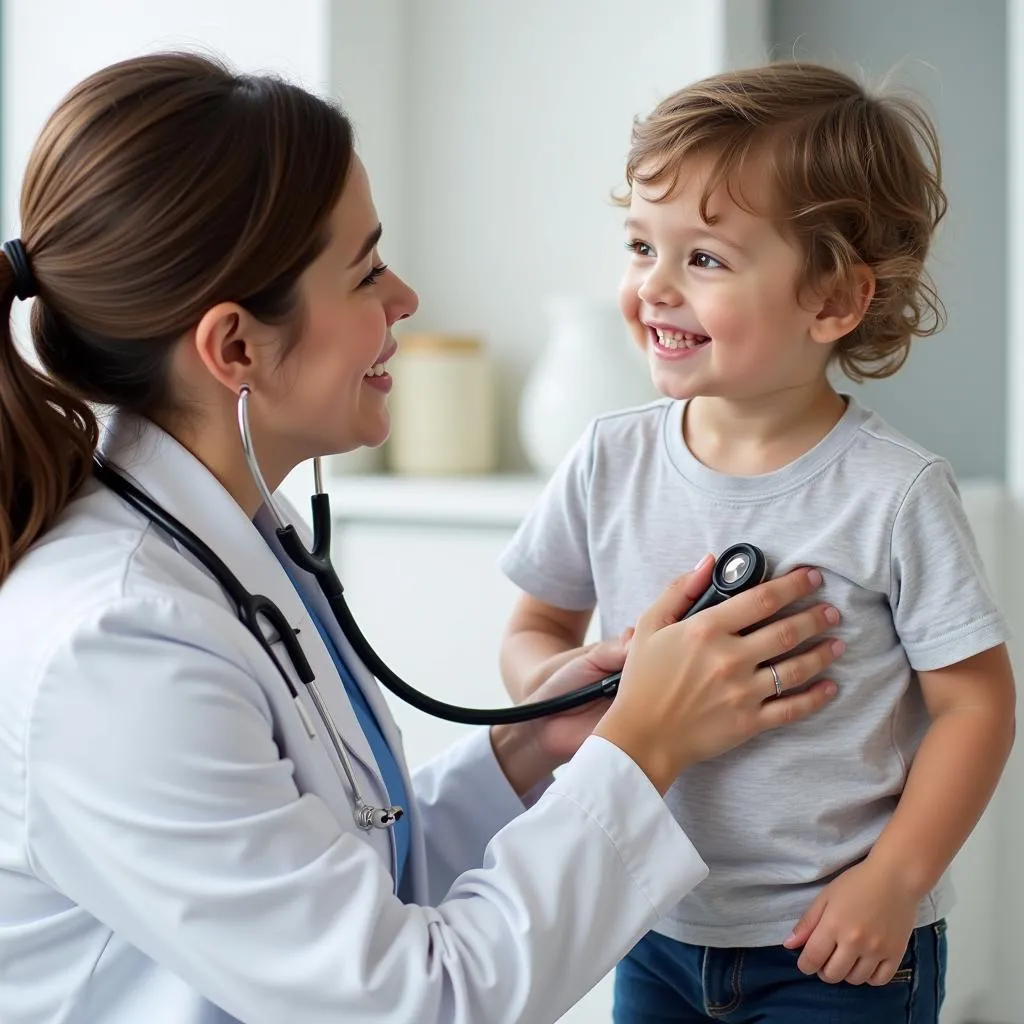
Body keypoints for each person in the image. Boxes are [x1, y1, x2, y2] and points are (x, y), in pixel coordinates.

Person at [0, 53, 847, 1024]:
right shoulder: (113, 648)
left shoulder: (224, 541)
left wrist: (537, 746)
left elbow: (350, 871)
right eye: (365, 270)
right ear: (235, 347)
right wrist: (643, 745)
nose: (404, 298)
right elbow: (412, 999)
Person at [499, 62, 1017, 1023]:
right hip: (654, 925)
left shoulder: (893, 493)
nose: (652, 288)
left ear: (831, 302)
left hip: (836, 944)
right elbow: (535, 624)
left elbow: (976, 706)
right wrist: (577, 683)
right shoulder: (610, 460)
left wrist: (896, 881)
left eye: (704, 259)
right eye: (641, 246)